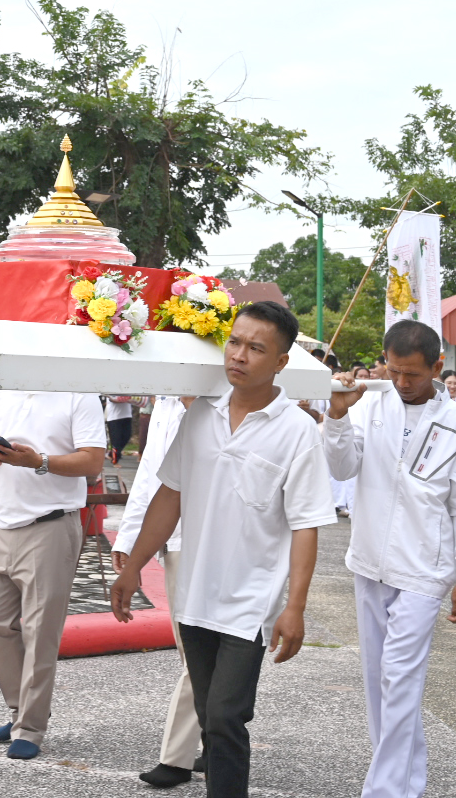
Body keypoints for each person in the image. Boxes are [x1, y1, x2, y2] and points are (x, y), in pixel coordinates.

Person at [111, 301, 335, 798]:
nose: (238, 355)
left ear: (281, 362)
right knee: (213, 716)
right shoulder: (200, 416)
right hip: (195, 594)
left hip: (250, 601)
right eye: (235, 342)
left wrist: (294, 607)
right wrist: (135, 565)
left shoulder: (297, 431)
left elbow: (306, 526)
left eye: (256, 348)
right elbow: (171, 496)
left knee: (226, 718)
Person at [324, 321, 456, 798]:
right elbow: (341, 467)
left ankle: (384, 791)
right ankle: (405, 784)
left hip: (425, 567)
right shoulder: (372, 405)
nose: (401, 383)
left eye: (412, 375)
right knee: (380, 680)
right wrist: (336, 418)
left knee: (400, 677)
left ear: (438, 368)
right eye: (393, 371)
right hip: (369, 559)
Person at [0, 387, 107, 759]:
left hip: (50, 523)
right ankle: (20, 710)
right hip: (1, 521)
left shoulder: (78, 395)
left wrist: (38, 461)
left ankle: (30, 728)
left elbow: (92, 462)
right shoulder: (1, 390)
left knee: (40, 630)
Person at [113, 395, 204, 789]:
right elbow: (151, 473)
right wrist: (129, 538)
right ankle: (219, 738)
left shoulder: (218, 399)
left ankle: (177, 757)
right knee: (192, 653)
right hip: (172, 539)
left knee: (200, 655)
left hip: (207, 541)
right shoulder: (166, 402)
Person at [105, 394, 135, 464]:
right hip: (114, 416)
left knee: (127, 436)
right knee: (116, 440)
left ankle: (111, 454)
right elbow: (112, 399)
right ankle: (115, 461)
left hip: (127, 414)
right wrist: (123, 399)